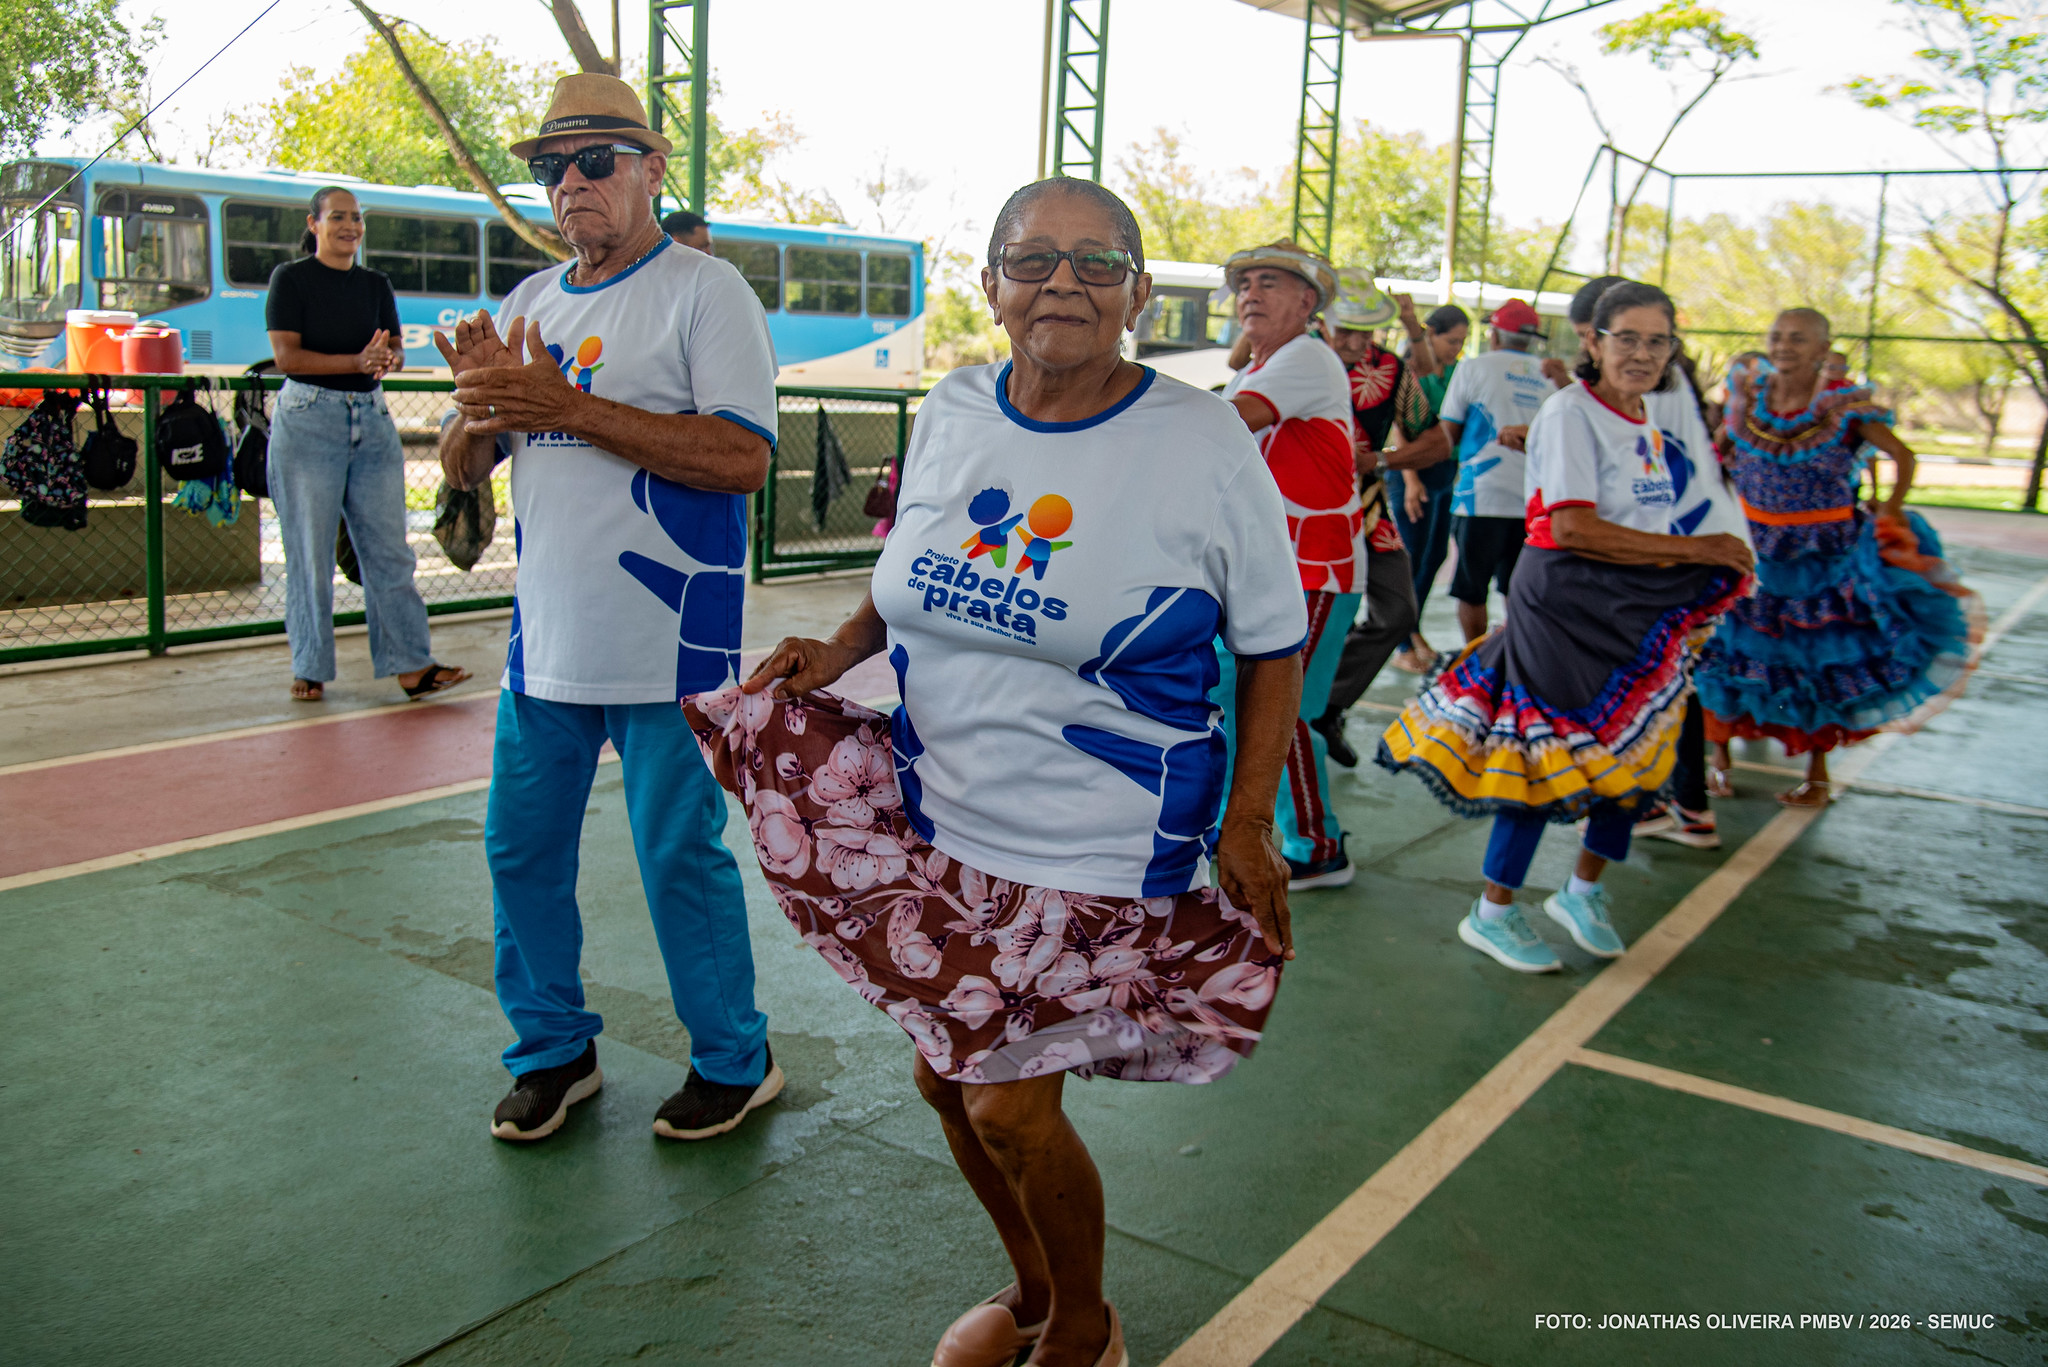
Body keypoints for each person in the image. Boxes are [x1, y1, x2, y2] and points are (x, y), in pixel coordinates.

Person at [691, 176, 1306, 1367]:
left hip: (1103, 830)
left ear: (1136, 290)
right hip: (940, 808)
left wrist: (1247, 820)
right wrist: (843, 645)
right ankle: (1031, 1288)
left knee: (1006, 1100)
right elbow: (912, 563)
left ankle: (1084, 1322)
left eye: (1095, 261)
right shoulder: (955, 405)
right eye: (1032, 259)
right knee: (946, 1084)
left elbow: (1272, 642)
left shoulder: (1199, 439)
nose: (1061, 282)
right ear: (989, 284)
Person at [435, 74, 781, 1144]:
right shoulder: (528, 303)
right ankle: (552, 1051)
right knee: (519, 850)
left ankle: (734, 1058)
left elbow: (742, 457)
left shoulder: (705, 292)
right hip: (546, 640)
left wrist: (569, 406)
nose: (570, 183)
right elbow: (466, 464)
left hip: (672, 638)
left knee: (678, 855)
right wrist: (473, 413)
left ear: (650, 168)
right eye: (552, 167)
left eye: (594, 161)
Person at [1377, 282, 1754, 973]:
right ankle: (1493, 910)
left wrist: (1698, 556)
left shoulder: (1643, 417)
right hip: (1565, 601)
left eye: (1657, 341)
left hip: (1631, 599)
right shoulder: (1571, 411)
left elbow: (1640, 512)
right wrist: (1700, 551)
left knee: (1637, 747)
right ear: (1593, 341)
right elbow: (1574, 526)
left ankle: (1582, 890)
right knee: (1543, 752)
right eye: (1627, 338)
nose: (1642, 353)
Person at [1696, 307, 1980, 806]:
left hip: (1822, 559)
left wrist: (1890, 508)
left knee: (1815, 664)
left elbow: (1903, 455)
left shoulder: (1844, 408)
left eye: (1798, 338)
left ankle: (1817, 776)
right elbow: (1716, 456)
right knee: (1728, 655)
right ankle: (1719, 763)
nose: (1784, 346)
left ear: (1822, 349)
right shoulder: (1748, 401)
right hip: (1753, 552)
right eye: (1777, 336)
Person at [264, 186, 469, 704]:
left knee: (389, 551)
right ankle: (309, 666)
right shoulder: (291, 279)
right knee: (310, 553)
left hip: (371, 419)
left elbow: (394, 347)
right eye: (338, 217)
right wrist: (355, 362)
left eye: (356, 218)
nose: (350, 226)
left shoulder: (375, 283)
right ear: (314, 224)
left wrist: (387, 358)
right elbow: (287, 358)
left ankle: (412, 666)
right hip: (309, 419)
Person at [1216, 239, 1362, 889]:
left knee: (1281, 708)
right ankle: (1240, 827)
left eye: (1268, 283)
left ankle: (1318, 845)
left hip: (1315, 566)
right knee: (1236, 696)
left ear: (1307, 303)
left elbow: (1225, 425)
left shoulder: (1305, 355)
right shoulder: (1260, 366)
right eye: (1245, 283)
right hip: (1274, 566)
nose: (1250, 293)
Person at [1309, 284, 1435, 769]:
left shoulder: (1388, 368)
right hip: (1296, 516)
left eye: (1366, 331)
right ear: (1321, 320)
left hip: (1368, 512)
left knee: (1398, 611)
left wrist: (1379, 459)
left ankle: (1326, 707)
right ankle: (1298, 714)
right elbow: (1238, 365)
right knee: (1294, 624)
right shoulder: (1294, 353)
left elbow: (1436, 441)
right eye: (1346, 330)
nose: (1357, 342)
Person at [1438, 298, 1551, 644]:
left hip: (1481, 496)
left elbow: (1447, 433)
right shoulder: (1551, 376)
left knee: (1471, 590)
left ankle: (1474, 659)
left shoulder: (1474, 367)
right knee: (1518, 589)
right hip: (1534, 501)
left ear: (1495, 335)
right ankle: (1514, 659)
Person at [1388, 300, 1468, 673]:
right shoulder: (1413, 371)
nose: (1457, 348)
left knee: (1434, 558)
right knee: (1411, 559)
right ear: (1430, 334)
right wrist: (1410, 479)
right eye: (1452, 341)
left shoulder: (1456, 371)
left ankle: (1413, 629)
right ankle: (1402, 643)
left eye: (1462, 342)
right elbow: (1401, 427)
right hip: (1413, 475)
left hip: (1444, 474)